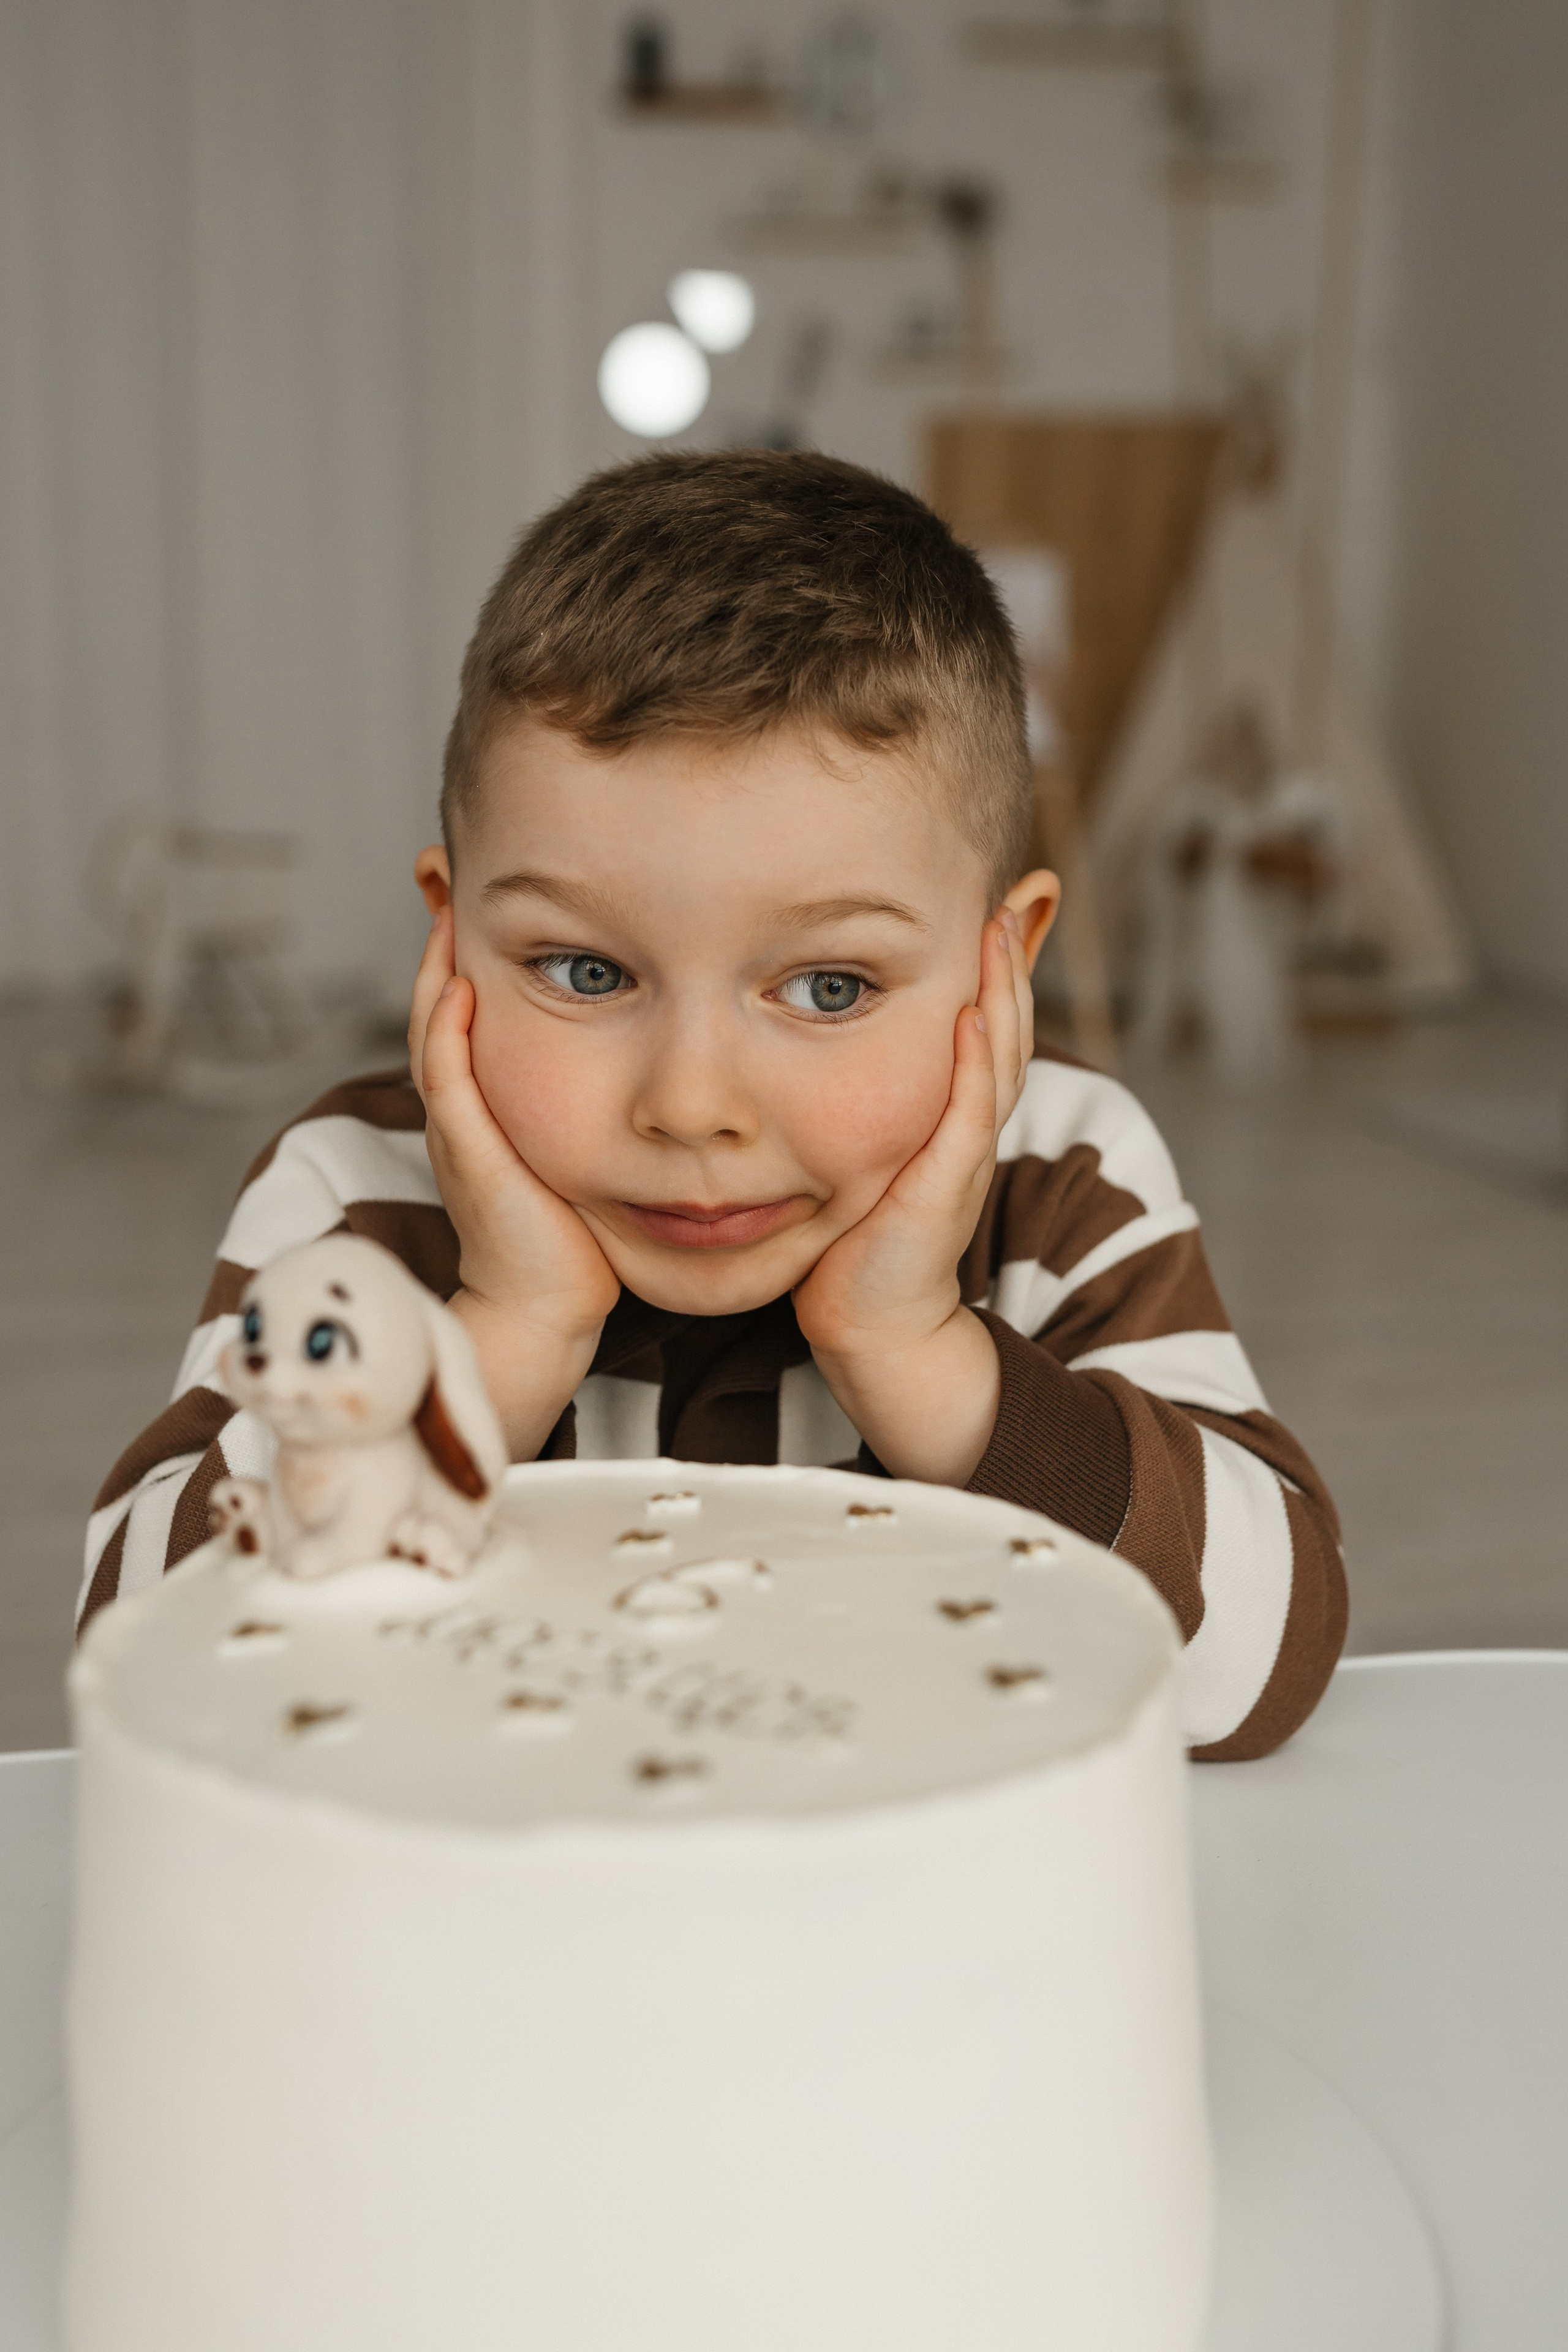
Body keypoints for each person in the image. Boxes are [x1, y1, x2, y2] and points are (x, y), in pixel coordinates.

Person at [82, 450, 1345, 1759]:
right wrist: (501, 1334)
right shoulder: (358, 1190)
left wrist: (917, 1352)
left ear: (998, 966)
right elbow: (153, 1654)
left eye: (829, 985)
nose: (691, 1107)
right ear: (449, 945)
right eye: (584, 971)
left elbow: (1258, 1674)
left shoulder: (1059, 1173)